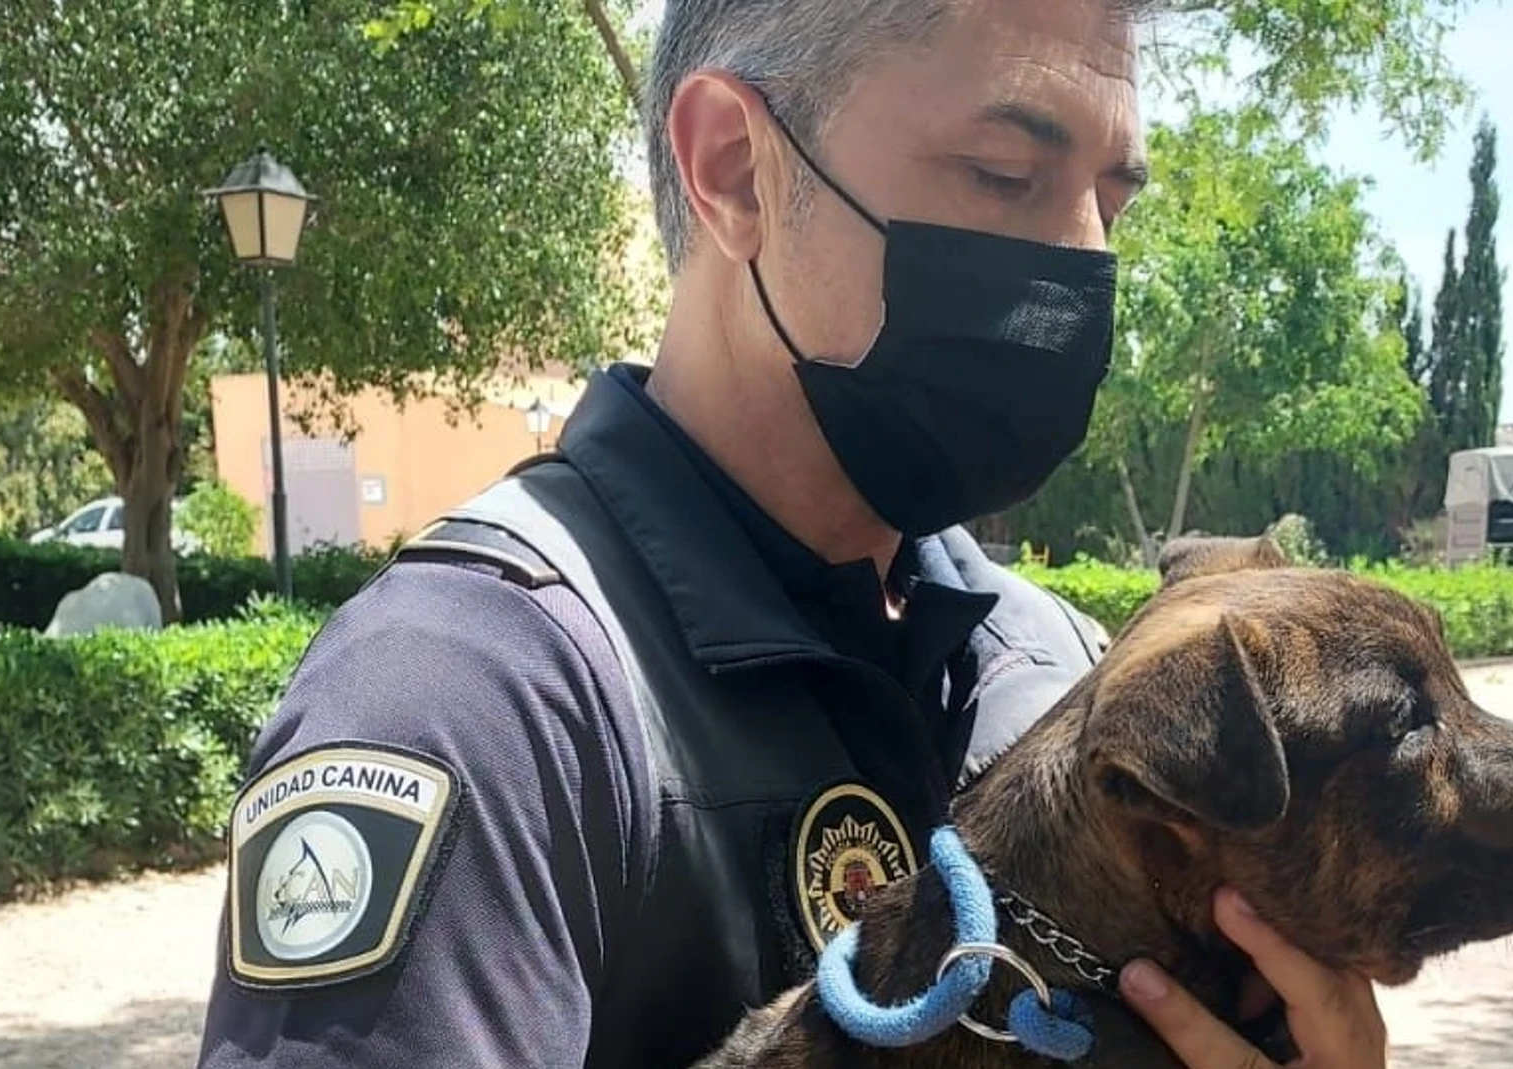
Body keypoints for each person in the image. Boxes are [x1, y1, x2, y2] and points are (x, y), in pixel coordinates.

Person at [194, 1, 1389, 1066]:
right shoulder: (473, 705)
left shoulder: (1065, 674)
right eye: (1001, 175)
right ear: (734, 169)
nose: (1085, 257)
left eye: (1110, 200)